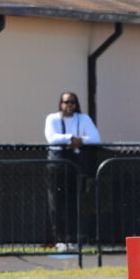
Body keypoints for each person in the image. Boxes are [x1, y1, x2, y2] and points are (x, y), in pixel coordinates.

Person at [45, 92, 101, 251]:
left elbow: (95, 138)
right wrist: (71, 138)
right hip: (56, 165)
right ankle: (60, 239)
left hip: (76, 163)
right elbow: (52, 138)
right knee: (56, 203)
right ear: (60, 104)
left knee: (75, 202)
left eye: (72, 102)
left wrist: (80, 141)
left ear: (76, 105)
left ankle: (73, 239)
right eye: (65, 102)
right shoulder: (52, 118)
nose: (68, 105)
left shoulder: (83, 119)